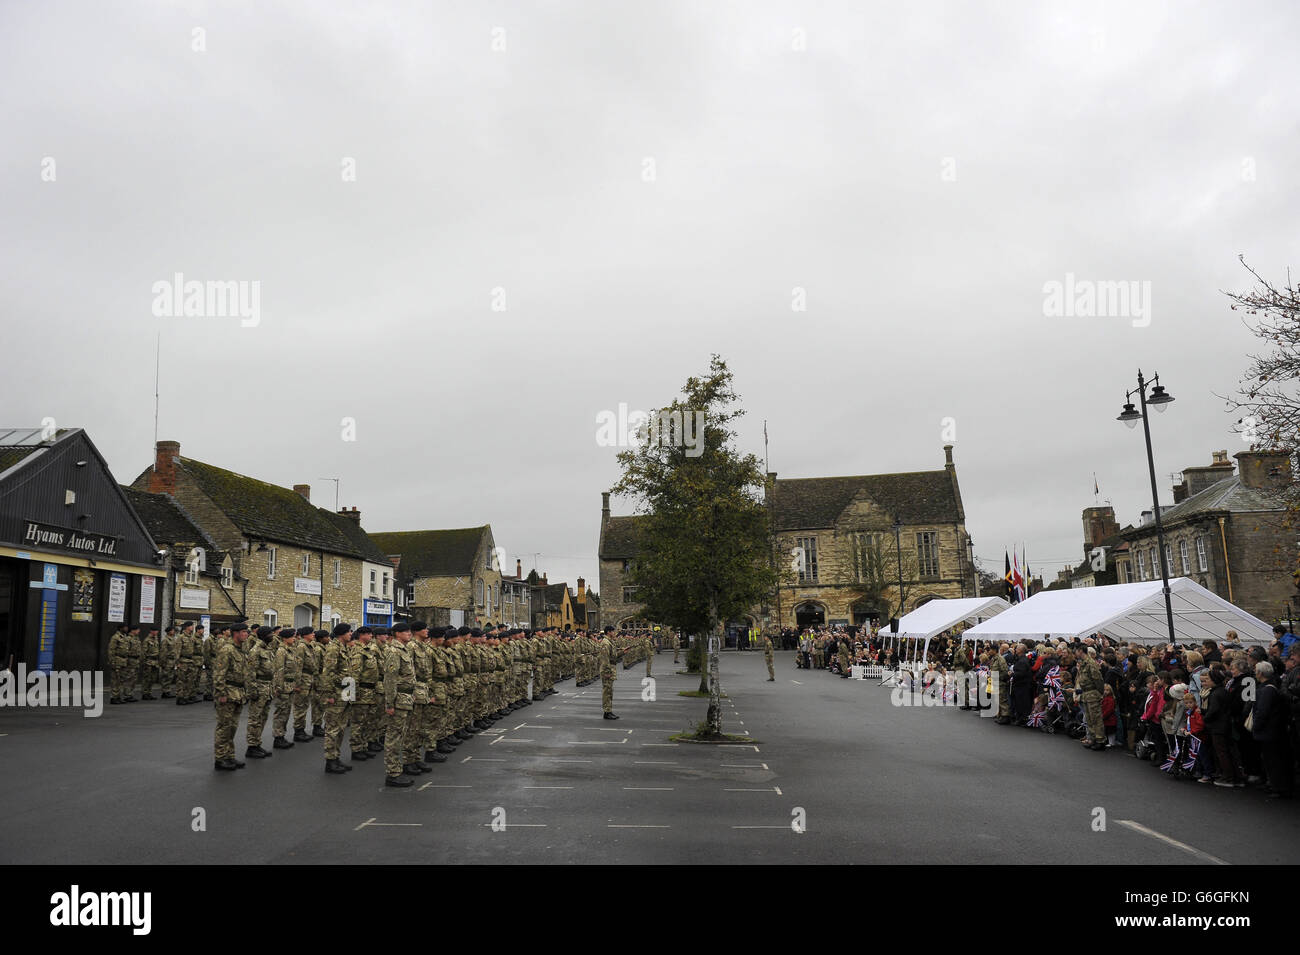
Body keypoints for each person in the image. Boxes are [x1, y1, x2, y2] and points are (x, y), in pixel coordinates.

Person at [1251, 661, 1294, 799]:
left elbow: (1263, 711)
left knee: (1272, 760)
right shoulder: (1271, 687)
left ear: (1260, 673)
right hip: (1272, 729)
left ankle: (1277, 786)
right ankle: (1274, 784)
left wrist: (1256, 726)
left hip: (1269, 731)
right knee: (1271, 759)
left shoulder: (1267, 690)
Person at [383, 623, 416, 786]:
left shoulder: (404, 649)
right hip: (397, 700)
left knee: (400, 735)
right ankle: (393, 773)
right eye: (405, 631)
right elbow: (390, 679)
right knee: (394, 737)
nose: (409, 633)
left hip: (406, 697)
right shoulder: (394, 651)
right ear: (397, 634)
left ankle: (397, 769)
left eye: (409, 631)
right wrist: (389, 703)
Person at [213, 622, 250, 770]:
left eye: (246, 632)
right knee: (224, 726)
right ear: (235, 633)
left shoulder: (241, 650)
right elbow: (219, 674)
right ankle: (220, 758)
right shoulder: (227, 650)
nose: (246, 634)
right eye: (243, 632)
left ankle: (229, 756)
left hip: (238, 693)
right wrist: (221, 693)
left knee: (232, 727)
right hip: (227, 692)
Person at [321, 623, 355, 774]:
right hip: (336, 692)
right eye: (349, 632)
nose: (351, 634)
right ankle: (330, 760)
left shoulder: (345, 647)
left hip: (346, 691)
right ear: (342, 634)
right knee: (333, 728)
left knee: (341, 728)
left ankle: (336, 757)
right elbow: (328, 673)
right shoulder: (333, 648)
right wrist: (328, 695)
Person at [244, 626, 276, 759]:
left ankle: (257, 744)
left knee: (263, 717)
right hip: (259, 687)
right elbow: (250, 673)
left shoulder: (267, 650)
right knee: (255, 719)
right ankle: (251, 747)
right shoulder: (255, 651)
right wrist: (252, 691)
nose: (272, 635)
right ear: (263, 635)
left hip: (267, 688)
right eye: (270, 634)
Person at [270, 627, 299, 750]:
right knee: (281, 712)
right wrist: (278, 687)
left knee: (286, 712)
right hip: (283, 687)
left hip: (290, 686)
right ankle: (278, 737)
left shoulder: (290, 650)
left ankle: (282, 735)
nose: (294, 638)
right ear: (285, 638)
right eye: (292, 636)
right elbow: (279, 670)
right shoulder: (281, 651)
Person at [598, 626, 621, 719]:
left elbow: (613, 656)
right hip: (607, 669)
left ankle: (609, 710)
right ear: (608, 632)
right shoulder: (605, 643)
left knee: (609, 691)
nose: (614, 633)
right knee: (607, 691)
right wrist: (607, 671)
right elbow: (605, 659)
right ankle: (607, 712)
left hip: (611, 668)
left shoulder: (609, 642)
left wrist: (623, 652)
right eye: (613, 631)